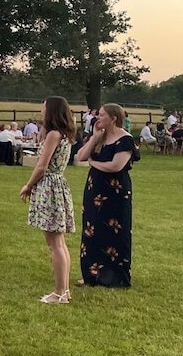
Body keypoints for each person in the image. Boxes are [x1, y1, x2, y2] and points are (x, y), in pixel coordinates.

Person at [20, 96, 76, 303]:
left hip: (50, 188)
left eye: (44, 108)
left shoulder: (54, 134)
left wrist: (28, 185)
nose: (41, 111)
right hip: (58, 186)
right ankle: (64, 290)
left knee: (55, 243)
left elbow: (42, 166)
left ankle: (60, 292)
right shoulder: (63, 134)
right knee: (58, 242)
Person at [75, 104, 135, 288]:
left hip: (115, 193)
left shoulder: (125, 140)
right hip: (95, 191)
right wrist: (94, 138)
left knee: (115, 233)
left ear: (113, 118)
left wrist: (93, 163)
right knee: (92, 231)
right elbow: (80, 156)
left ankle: (115, 277)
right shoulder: (100, 137)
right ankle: (91, 275)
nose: (97, 118)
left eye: (101, 115)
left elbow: (116, 166)